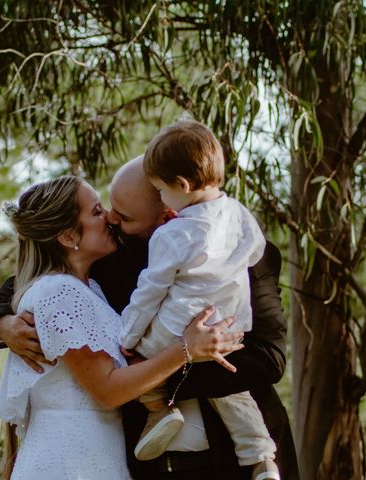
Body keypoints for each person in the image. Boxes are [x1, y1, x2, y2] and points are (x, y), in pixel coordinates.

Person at [0, 159, 300, 480]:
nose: (111, 220)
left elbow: (268, 360)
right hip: (144, 466)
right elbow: (36, 276)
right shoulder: (114, 257)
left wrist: (156, 375)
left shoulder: (247, 255)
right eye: (107, 210)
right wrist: (3, 325)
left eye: (123, 216)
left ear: (169, 212)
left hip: (235, 460)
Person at [119, 120, 279, 480]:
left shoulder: (173, 234)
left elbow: (150, 292)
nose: (162, 200)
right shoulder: (240, 214)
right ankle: (261, 456)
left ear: (183, 186)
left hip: (182, 323)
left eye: (160, 191)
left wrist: (128, 340)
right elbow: (254, 253)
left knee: (140, 359)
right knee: (233, 391)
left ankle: (160, 409)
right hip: (231, 325)